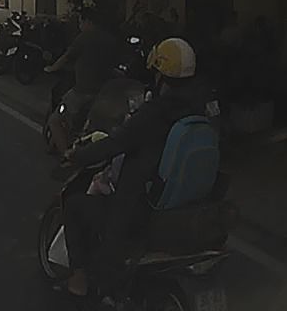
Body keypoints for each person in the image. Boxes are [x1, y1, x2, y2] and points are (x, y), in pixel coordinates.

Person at [61, 37, 217, 300]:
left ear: (160, 74)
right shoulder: (203, 106)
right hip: (188, 201)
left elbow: (116, 143)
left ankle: (80, 278)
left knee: (75, 206)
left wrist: (78, 156)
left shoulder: (156, 112)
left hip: (141, 205)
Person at [45, 7, 121, 155]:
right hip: (105, 93)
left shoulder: (85, 37)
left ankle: (67, 156)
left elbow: (67, 56)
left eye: (81, 21)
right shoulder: (110, 39)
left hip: (83, 90)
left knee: (54, 121)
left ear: (88, 22)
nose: (80, 25)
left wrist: (52, 68)